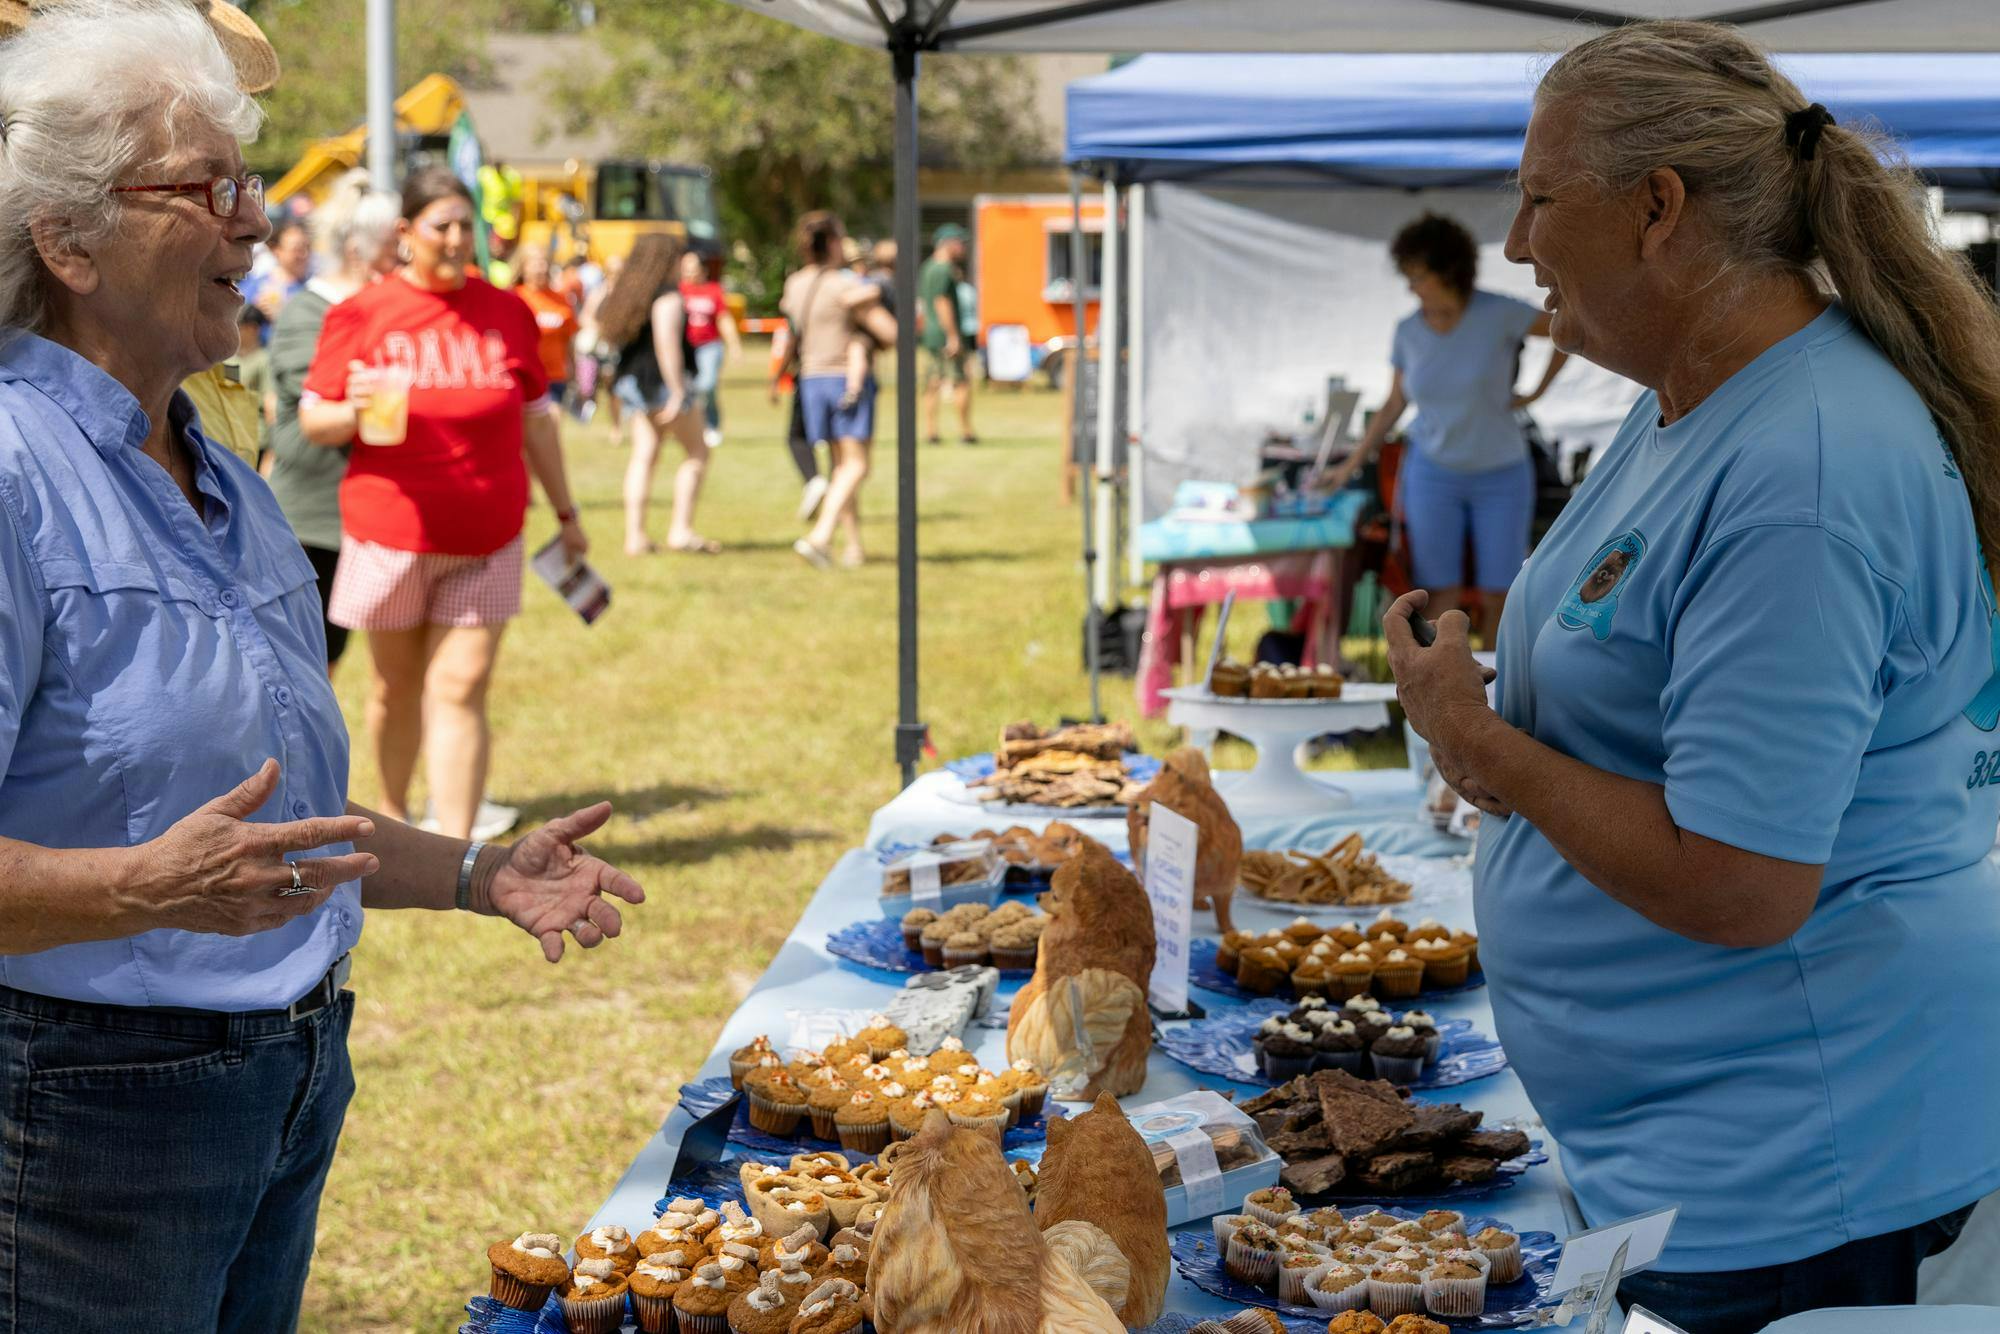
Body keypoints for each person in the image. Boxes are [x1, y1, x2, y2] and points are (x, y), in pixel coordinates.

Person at [0, 6, 643, 1330]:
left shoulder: (218, 478)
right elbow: (176, 870)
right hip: (86, 1122)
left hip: (285, 1077)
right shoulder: (15, 475)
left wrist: (473, 871)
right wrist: (131, 887)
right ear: (66, 240)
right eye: (208, 188)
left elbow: (279, 835)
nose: (253, 222)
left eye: (248, 185)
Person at [1385, 21, 2000, 1334]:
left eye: (1542, 196)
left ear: (1657, 208)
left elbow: (1740, 878)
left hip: (1800, 1184)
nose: (1515, 242)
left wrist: (1478, 743)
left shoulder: (1803, 470)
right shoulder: (1693, 391)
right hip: (1706, 1153)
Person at [299, 166, 590, 842]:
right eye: (443, 226)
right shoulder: (362, 314)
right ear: (406, 232)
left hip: (488, 536)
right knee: (394, 690)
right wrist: (355, 409)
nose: (459, 239)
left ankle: (454, 846)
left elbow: (538, 422)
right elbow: (313, 420)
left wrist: (569, 515)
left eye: (468, 225)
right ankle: (398, 823)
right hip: (390, 536)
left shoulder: (506, 312)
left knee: (461, 686)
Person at [1328, 213, 1567, 643]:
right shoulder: (1406, 331)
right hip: (1432, 474)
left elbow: (1568, 328)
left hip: (1502, 473)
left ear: (1450, 272)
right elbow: (1393, 404)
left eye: (1418, 276)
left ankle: (1498, 695)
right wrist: (1347, 467)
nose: (1410, 288)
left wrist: (1536, 394)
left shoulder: (1500, 313)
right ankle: (1440, 690)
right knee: (1439, 594)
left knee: (1501, 594)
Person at [267, 167, 402, 674]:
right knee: (313, 662)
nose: (403, 259)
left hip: (373, 511)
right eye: (393, 246)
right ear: (358, 250)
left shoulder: (388, 306)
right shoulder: (310, 311)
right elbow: (314, 409)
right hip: (316, 515)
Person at [785, 211, 895, 570]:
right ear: (833, 243)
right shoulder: (845, 285)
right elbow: (891, 333)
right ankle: (820, 536)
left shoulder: (796, 284)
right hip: (845, 380)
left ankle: (852, 547)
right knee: (857, 466)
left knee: (839, 467)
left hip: (811, 380)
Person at [597, 233, 719, 555]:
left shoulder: (631, 295)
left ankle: (635, 537)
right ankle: (681, 530)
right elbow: (667, 346)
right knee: (697, 452)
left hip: (635, 385)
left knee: (645, 454)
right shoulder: (668, 297)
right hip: (664, 385)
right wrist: (678, 391)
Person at [919, 221, 976, 445]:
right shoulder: (944, 269)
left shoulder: (928, 267)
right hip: (945, 334)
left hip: (931, 334)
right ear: (948, 244)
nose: (963, 247)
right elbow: (942, 302)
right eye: (960, 243)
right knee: (960, 382)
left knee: (932, 383)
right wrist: (953, 336)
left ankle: (931, 431)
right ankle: (966, 431)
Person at [680, 245, 740, 448]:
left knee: (707, 384)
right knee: (688, 387)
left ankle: (712, 425)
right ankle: (692, 426)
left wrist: (734, 346)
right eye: (685, 266)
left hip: (709, 345)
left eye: (692, 266)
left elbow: (724, 319)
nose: (688, 271)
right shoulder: (678, 290)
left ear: (703, 269)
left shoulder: (713, 290)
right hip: (686, 347)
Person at [516, 243, 580, 413]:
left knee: (552, 424)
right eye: (536, 264)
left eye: (544, 263)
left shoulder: (562, 300)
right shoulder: (514, 297)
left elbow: (569, 340)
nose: (541, 268)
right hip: (524, 376)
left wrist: (573, 372)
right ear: (523, 267)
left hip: (554, 376)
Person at [242, 216, 312, 328]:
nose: (304, 254)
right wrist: (252, 310)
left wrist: (282, 315)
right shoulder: (256, 284)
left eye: (308, 247)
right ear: (277, 251)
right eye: (297, 249)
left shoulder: (312, 289)